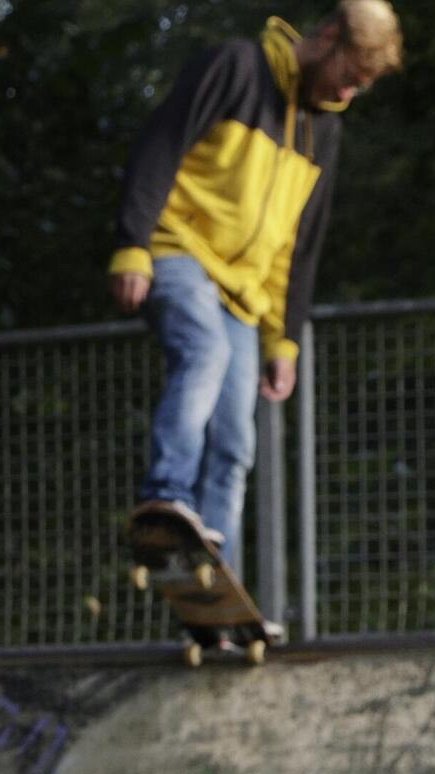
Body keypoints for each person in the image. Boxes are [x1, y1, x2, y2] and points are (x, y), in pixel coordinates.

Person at [110, 0, 406, 567]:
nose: (347, 94)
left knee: (236, 441)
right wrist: (132, 245)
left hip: (244, 294)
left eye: (360, 88)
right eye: (348, 77)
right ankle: (164, 499)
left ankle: (213, 570)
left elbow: (299, 245)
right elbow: (159, 147)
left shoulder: (323, 131)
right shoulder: (236, 68)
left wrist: (283, 339)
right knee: (205, 352)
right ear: (328, 38)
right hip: (178, 250)